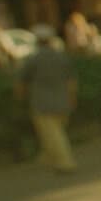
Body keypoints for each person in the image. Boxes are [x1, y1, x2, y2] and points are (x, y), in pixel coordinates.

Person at [14, 30, 78, 173]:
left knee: (53, 135)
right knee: (55, 133)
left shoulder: (33, 59)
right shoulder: (61, 57)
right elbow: (71, 81)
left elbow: (21, 82)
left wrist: (20, 97)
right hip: (63, 100)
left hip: (41, 102)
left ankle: (65, 162)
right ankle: (48, 157)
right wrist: (72, 97)